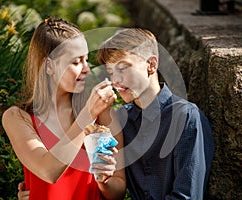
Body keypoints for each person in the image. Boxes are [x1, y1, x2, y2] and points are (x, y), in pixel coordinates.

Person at [18, 27, 215, 200]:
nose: (116, 80)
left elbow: (188, 195)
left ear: (152, 65)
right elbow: (108, 184)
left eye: (123, 68)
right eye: (111, 72)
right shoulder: (121, 119)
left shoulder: (186, 117)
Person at [2, 17, 125, 200]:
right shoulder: (18, 118)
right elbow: (48, 171)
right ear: (49, 65)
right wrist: (87, 115)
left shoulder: (103, 113)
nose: (86, 69)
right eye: (76, 62)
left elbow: (118, 192)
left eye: (85, 60)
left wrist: (105, 180)